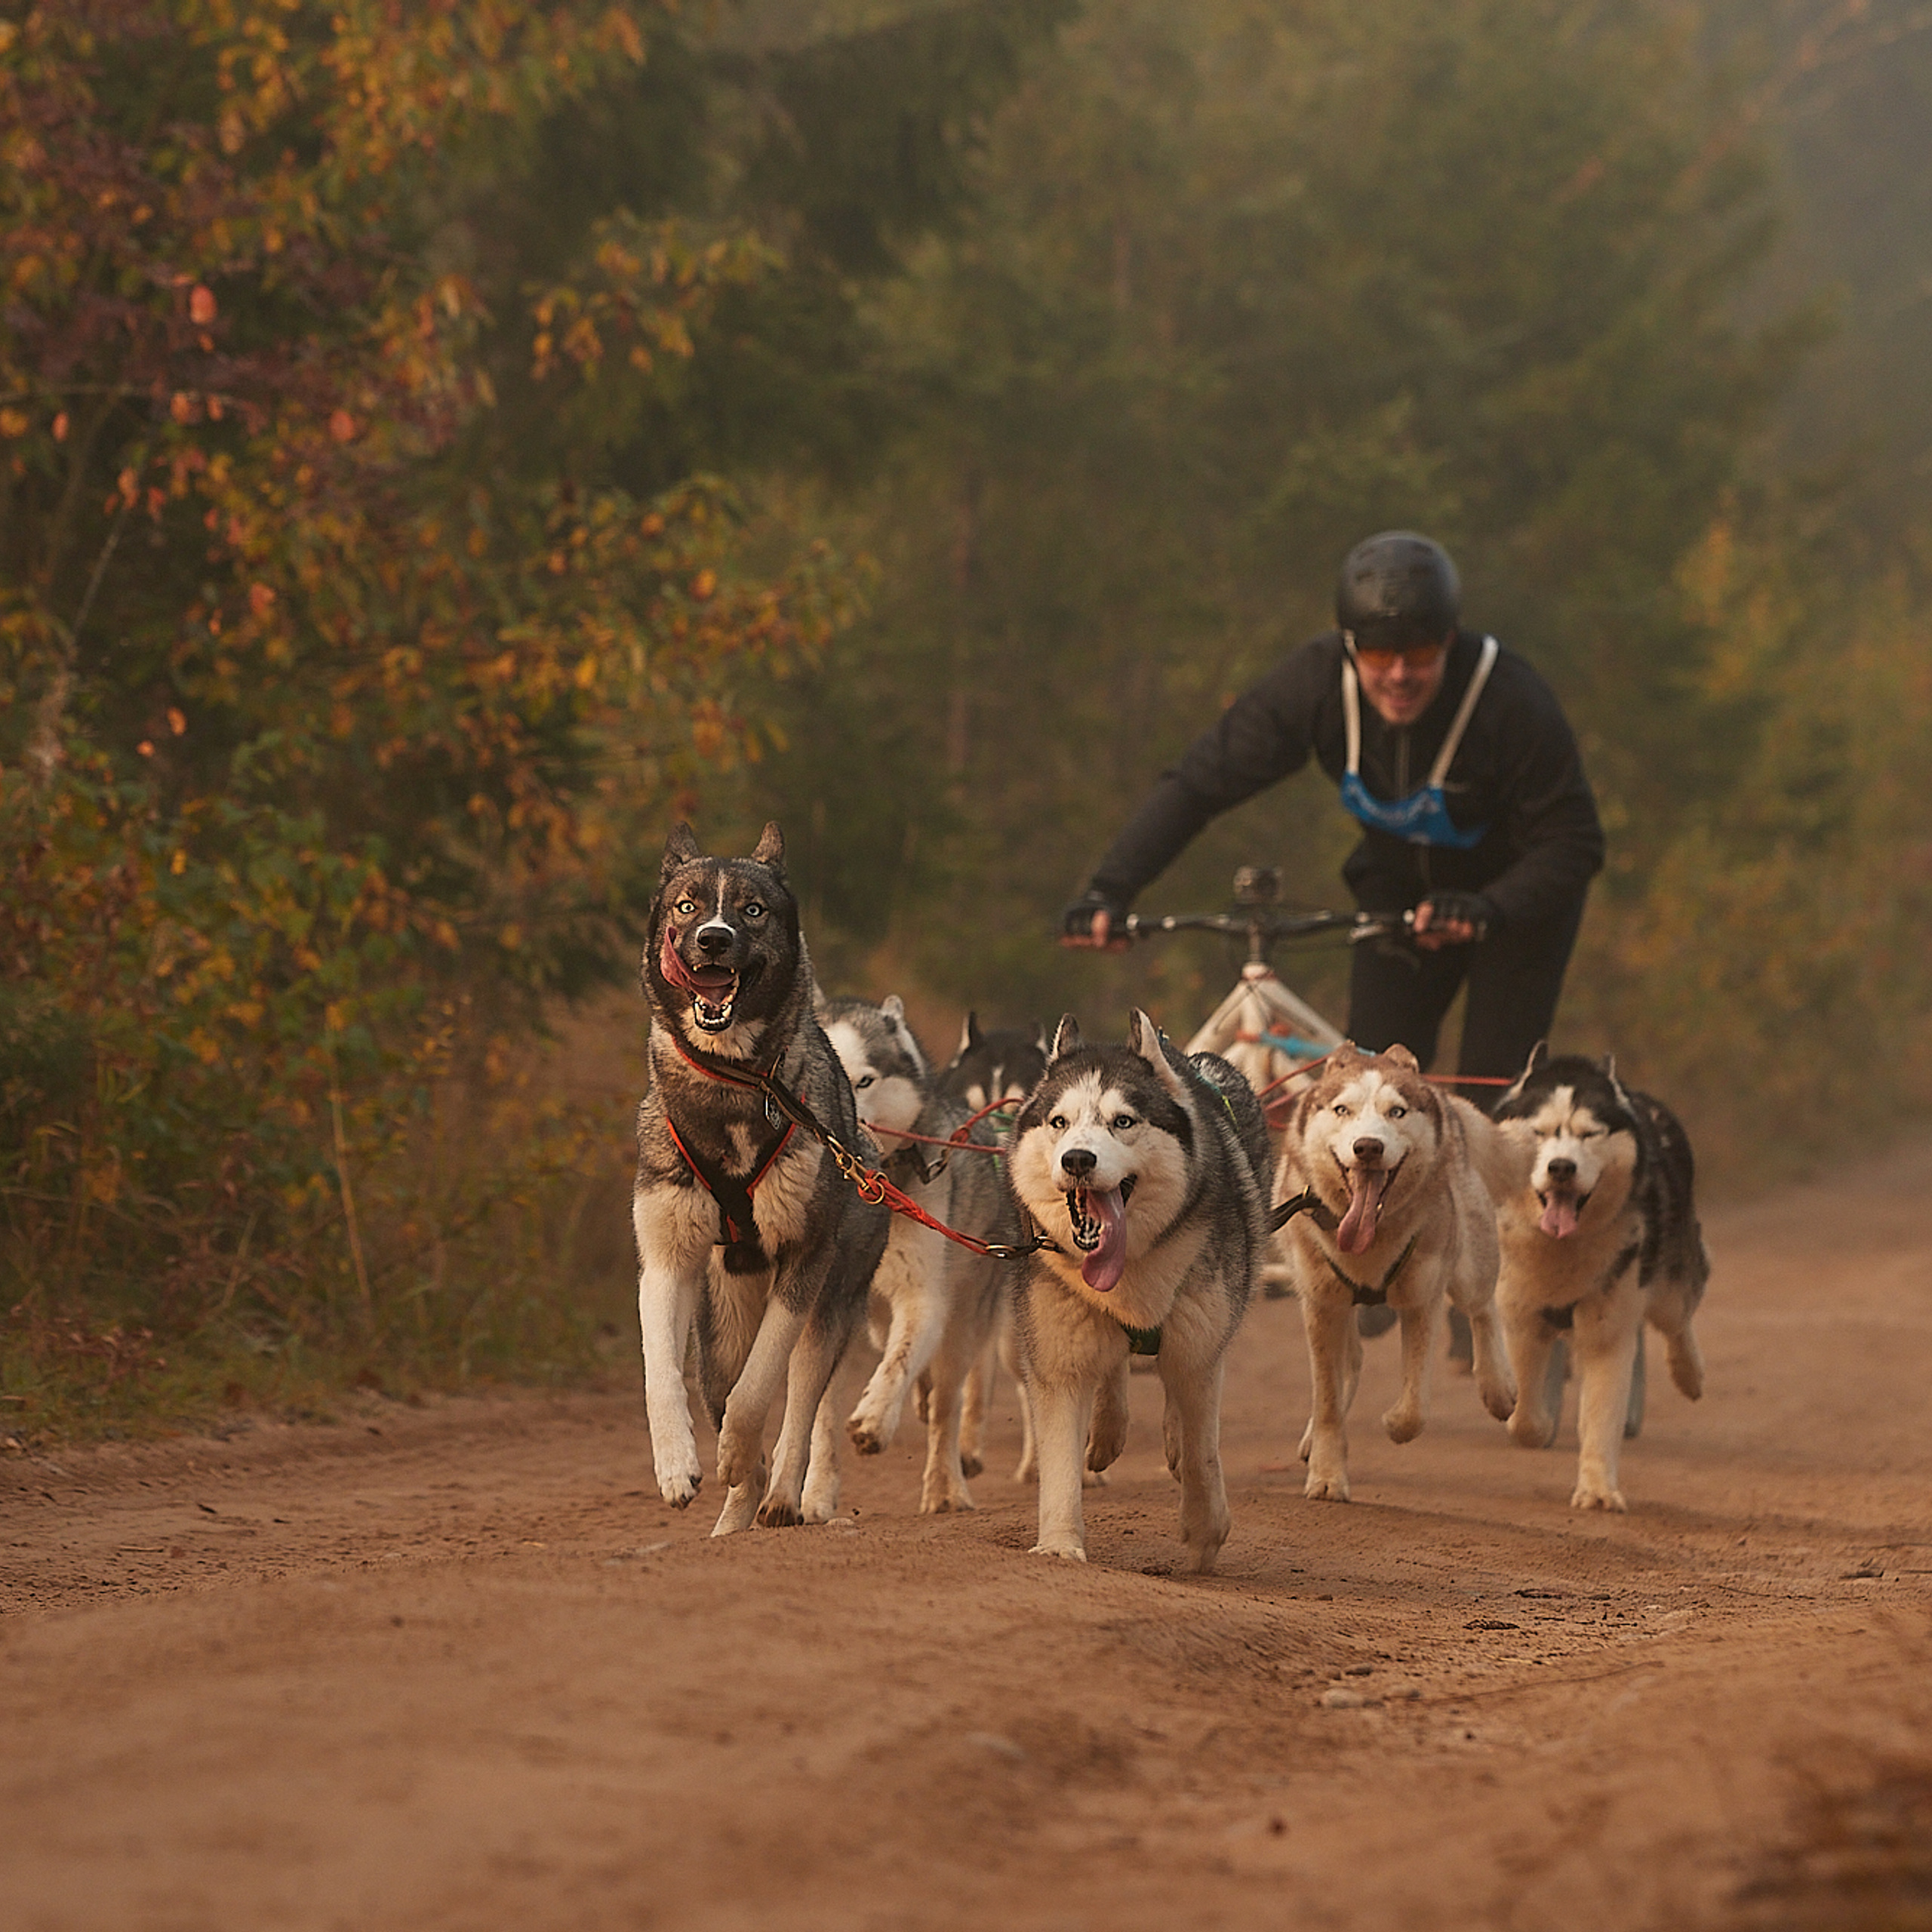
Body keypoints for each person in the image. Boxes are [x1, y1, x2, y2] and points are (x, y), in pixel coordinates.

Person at [1063, 531, 1604, 1088]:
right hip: (1398, 894)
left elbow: (1575, 842)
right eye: (1379, 654)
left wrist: (1489, 907)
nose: (1399, 675)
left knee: (1490, 1091)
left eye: (1419, 654)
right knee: (1370, 1087)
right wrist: (1110, 889)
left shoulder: (1510, 700)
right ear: (1350, 646)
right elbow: (1198, 785)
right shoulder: (1314, 685)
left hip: (1516, 903)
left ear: (1449, 640)